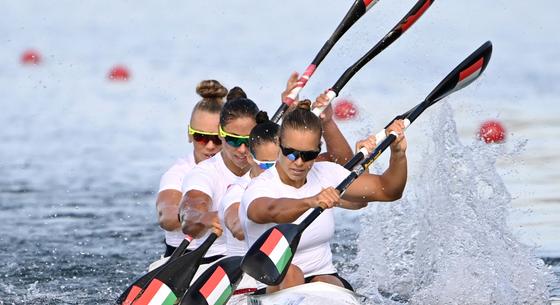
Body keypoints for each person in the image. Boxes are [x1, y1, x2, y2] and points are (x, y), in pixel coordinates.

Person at [240, 102, 408, 293]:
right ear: (279, 144)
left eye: (309, 155)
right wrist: (310, 201)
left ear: (318, 150)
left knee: (327, 283)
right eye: (291, 153)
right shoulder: (260, 186)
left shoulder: (327, 174)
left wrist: (398, 153)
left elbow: (389, 191)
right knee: (292, 274)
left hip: (322, 277)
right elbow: (268, 210)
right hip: (272, 282)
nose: (299, 163)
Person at [179, 97, 261, 261]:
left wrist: (327, 123)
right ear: (221, 134)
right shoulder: (204, 173)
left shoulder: (271, 164)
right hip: (215, 260)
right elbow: (189, 216)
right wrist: (204, 217)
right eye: (234, 140)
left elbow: (324, 160)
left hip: (261, 258)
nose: (242, 149)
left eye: (248, 140)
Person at [155, 80, 227, 257]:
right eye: (201, 137)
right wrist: (201, 218)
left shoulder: (244, 167)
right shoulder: (177, 174)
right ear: (189, 134)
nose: (210, 146)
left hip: (231, 259)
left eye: (217, 139)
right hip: (183, 256)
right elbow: (167, 217)